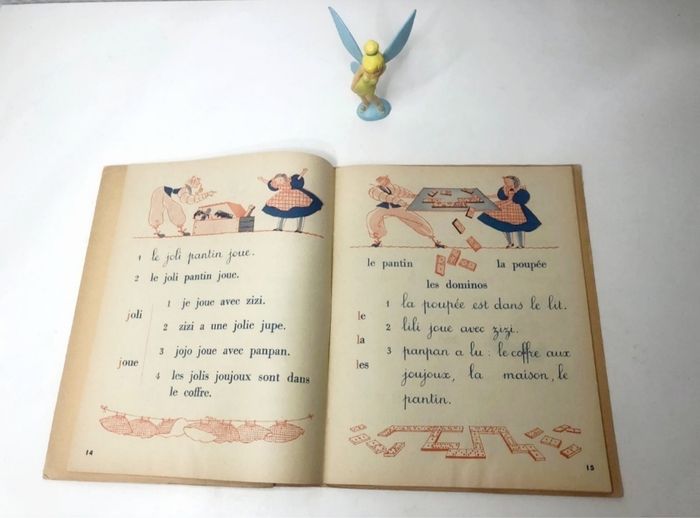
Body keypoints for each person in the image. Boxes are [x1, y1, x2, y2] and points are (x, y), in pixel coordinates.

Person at [367, 175, 444, 247]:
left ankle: (435, 240)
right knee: (372, 218)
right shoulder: (374, 190)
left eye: (386, 180)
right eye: (384, 180)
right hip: (384, 208)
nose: (387, 181)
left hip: (397, 208)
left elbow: (402, 192)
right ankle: (377, 240)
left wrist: (414, 196)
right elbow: (386, 197)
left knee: (416, 219)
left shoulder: (390, 187)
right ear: (379, 181)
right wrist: (402, 203)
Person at [477, 176, 541, 248]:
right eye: (505, 181)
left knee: (519, 227)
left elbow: (510, 201)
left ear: (514, 182)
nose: (505, 183)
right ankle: (510, 243)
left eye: (507, 181)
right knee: (505, 226)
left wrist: (501, 205)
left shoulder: (513, 189)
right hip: (506, 210)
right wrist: (487, 196)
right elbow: (498, 196)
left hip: (515, 210)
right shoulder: (504, 188)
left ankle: (521, 244)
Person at [258, 168, 323, 232]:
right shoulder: (277, 185)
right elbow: (269, 183)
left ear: (285, 179)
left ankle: (299, 229)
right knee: (282, 212)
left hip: (295, 196)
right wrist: (262, 179)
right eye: (277, 180)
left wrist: (303, 172)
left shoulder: (289, 181)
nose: (279, 181)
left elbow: (299, 178)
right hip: (283, 198)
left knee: (301, 211)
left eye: (280, 179)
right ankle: (279, 227)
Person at [148, 176, 214, 237]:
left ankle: (180, 229)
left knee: (175, 208)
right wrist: (206, 194)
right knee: (162, 208)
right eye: (197, 184)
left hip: (164, 193)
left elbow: (192, 198)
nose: (198, 186)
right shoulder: (184, 189)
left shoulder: (188, 189)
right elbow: (190, 199)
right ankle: (156, 230)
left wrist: (205, 194)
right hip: (160, 192)